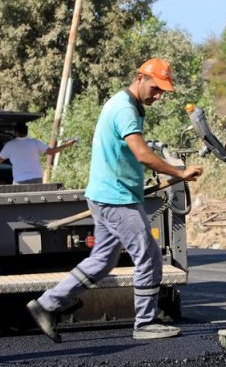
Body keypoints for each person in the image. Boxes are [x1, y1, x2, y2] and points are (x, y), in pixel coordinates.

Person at [26, 58, 203, 340]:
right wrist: (179, 172)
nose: (157, 96)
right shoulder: (124, 109)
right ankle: (145, 323)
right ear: (140, 78)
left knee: (102, 260)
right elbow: (142, 154)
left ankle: (48, 304)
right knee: (149, 255)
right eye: (155, 89)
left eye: (162, 92)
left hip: (107, 194)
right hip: (116, 198)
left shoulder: (128, 105)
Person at [0, 122, 76, 184]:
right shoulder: (35, 142)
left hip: (19, 181)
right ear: (26, 132)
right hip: (37, 179)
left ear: (16, 132)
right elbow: (52, 152)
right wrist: (66, 145)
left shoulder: (10, 145)